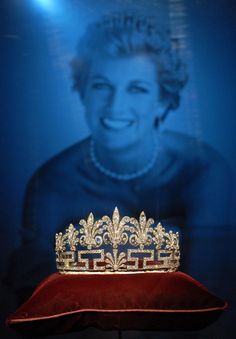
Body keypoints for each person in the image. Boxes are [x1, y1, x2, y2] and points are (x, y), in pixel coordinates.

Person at [5, 11, 231, 333]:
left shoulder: (203, 171)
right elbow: (30, 308)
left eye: (137, 88)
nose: (114, 106)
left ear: (163, 100)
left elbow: (211, 297)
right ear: (82, 91)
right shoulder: (51, 183)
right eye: (101, 86)